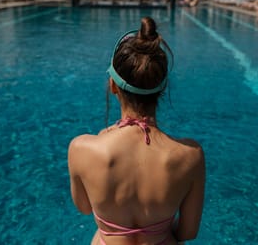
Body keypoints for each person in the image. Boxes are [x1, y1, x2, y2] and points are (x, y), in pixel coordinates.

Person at [68, 17, 206, 245]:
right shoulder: (190, 155)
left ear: (113, 85)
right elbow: (187, 233)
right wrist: (154, 228)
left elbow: (84, 208)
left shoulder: (81, 149)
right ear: (162, 88)